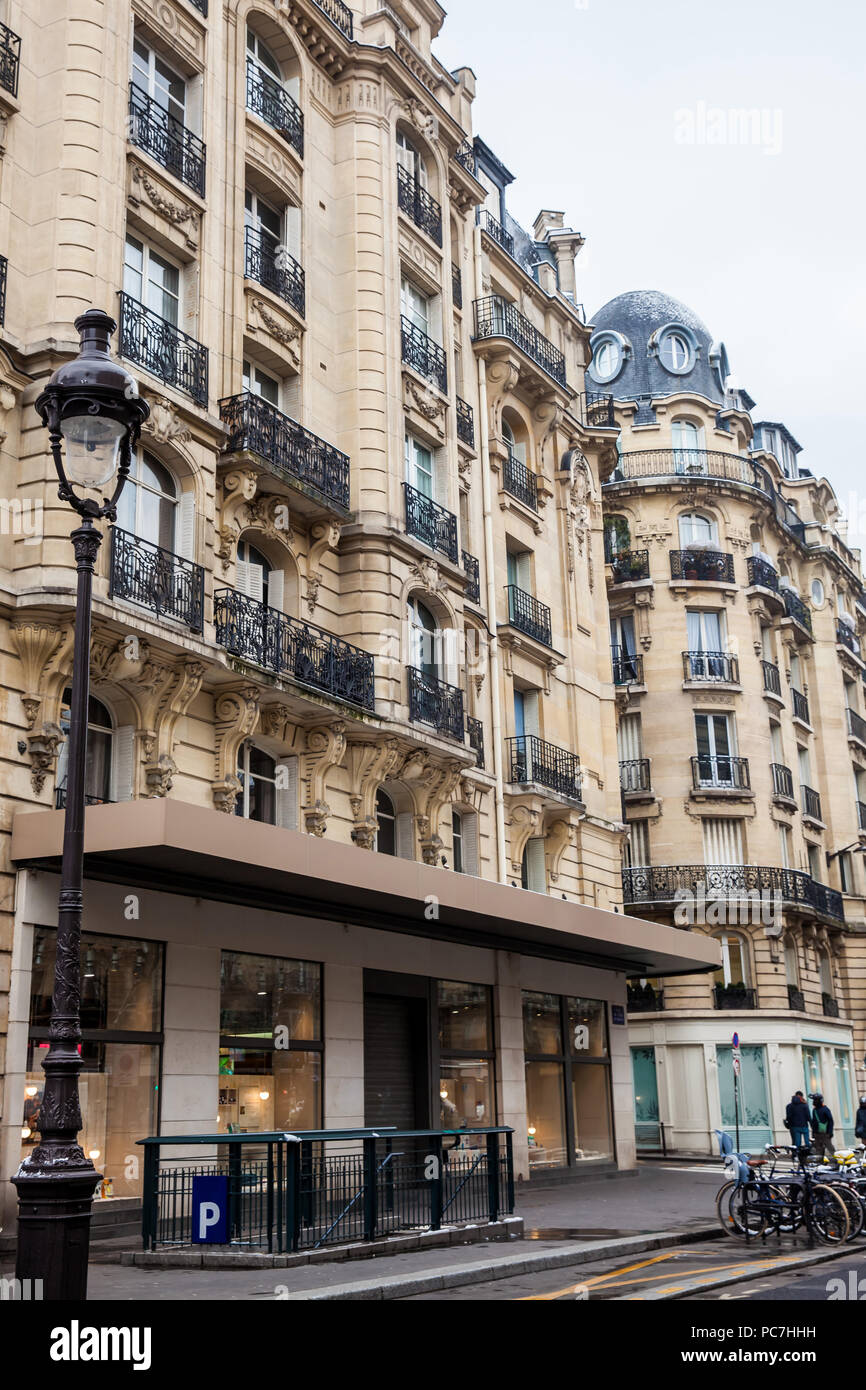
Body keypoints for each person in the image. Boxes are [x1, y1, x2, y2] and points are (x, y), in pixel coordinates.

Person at [810, 1093, 836, 1163]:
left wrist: (830, 1132)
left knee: (830, 1148)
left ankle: (838, 1160)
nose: (814, 1102)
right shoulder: (814, 1110)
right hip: (817, 1134)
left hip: (825, 1133)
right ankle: (819, 1163)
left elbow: (830, 1121)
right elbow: (814, 1123)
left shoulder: (825, 1109)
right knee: (819, 1149)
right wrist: (813, 1133)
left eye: (815, 1100)